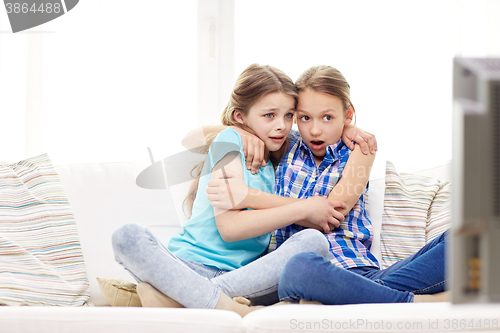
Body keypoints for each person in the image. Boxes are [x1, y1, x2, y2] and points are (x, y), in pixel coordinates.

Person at [111, 63, 348, 317]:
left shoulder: (279, 152)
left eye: (289, 115)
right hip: (190, 268)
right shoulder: (230, 141)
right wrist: (303, 207)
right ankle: (231, 308)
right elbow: (230, 229)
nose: (281, 125)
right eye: (269, 115)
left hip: (246, 279)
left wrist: (349, 129)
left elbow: (323, 130)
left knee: (314, 242)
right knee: (127, 236)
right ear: (240, 116)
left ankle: (189, 299)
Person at [206, 65, 448, 305]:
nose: (315, 129)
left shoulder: (359, 151)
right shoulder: (286, 143)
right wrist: (241, 131)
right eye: (304, 118)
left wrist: (249, 197)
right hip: (302, 274)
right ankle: (414, 302)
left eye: (328, 117)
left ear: (348, 114)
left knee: (464, 239)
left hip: (358, 271)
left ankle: (370, 295)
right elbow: (195, 137)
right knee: (302, 266)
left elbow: (330, 213)